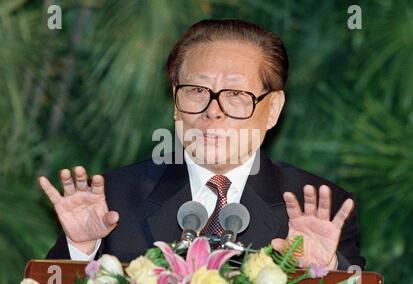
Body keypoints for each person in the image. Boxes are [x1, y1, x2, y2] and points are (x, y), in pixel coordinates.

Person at [40, 19, 365, 270]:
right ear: (174, 100)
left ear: (274, 109)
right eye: (196, 90)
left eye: (236, 95)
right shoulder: (114, 200)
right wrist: (80, 250)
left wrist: (327, 272)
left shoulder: (322, 209)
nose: (212, 111)